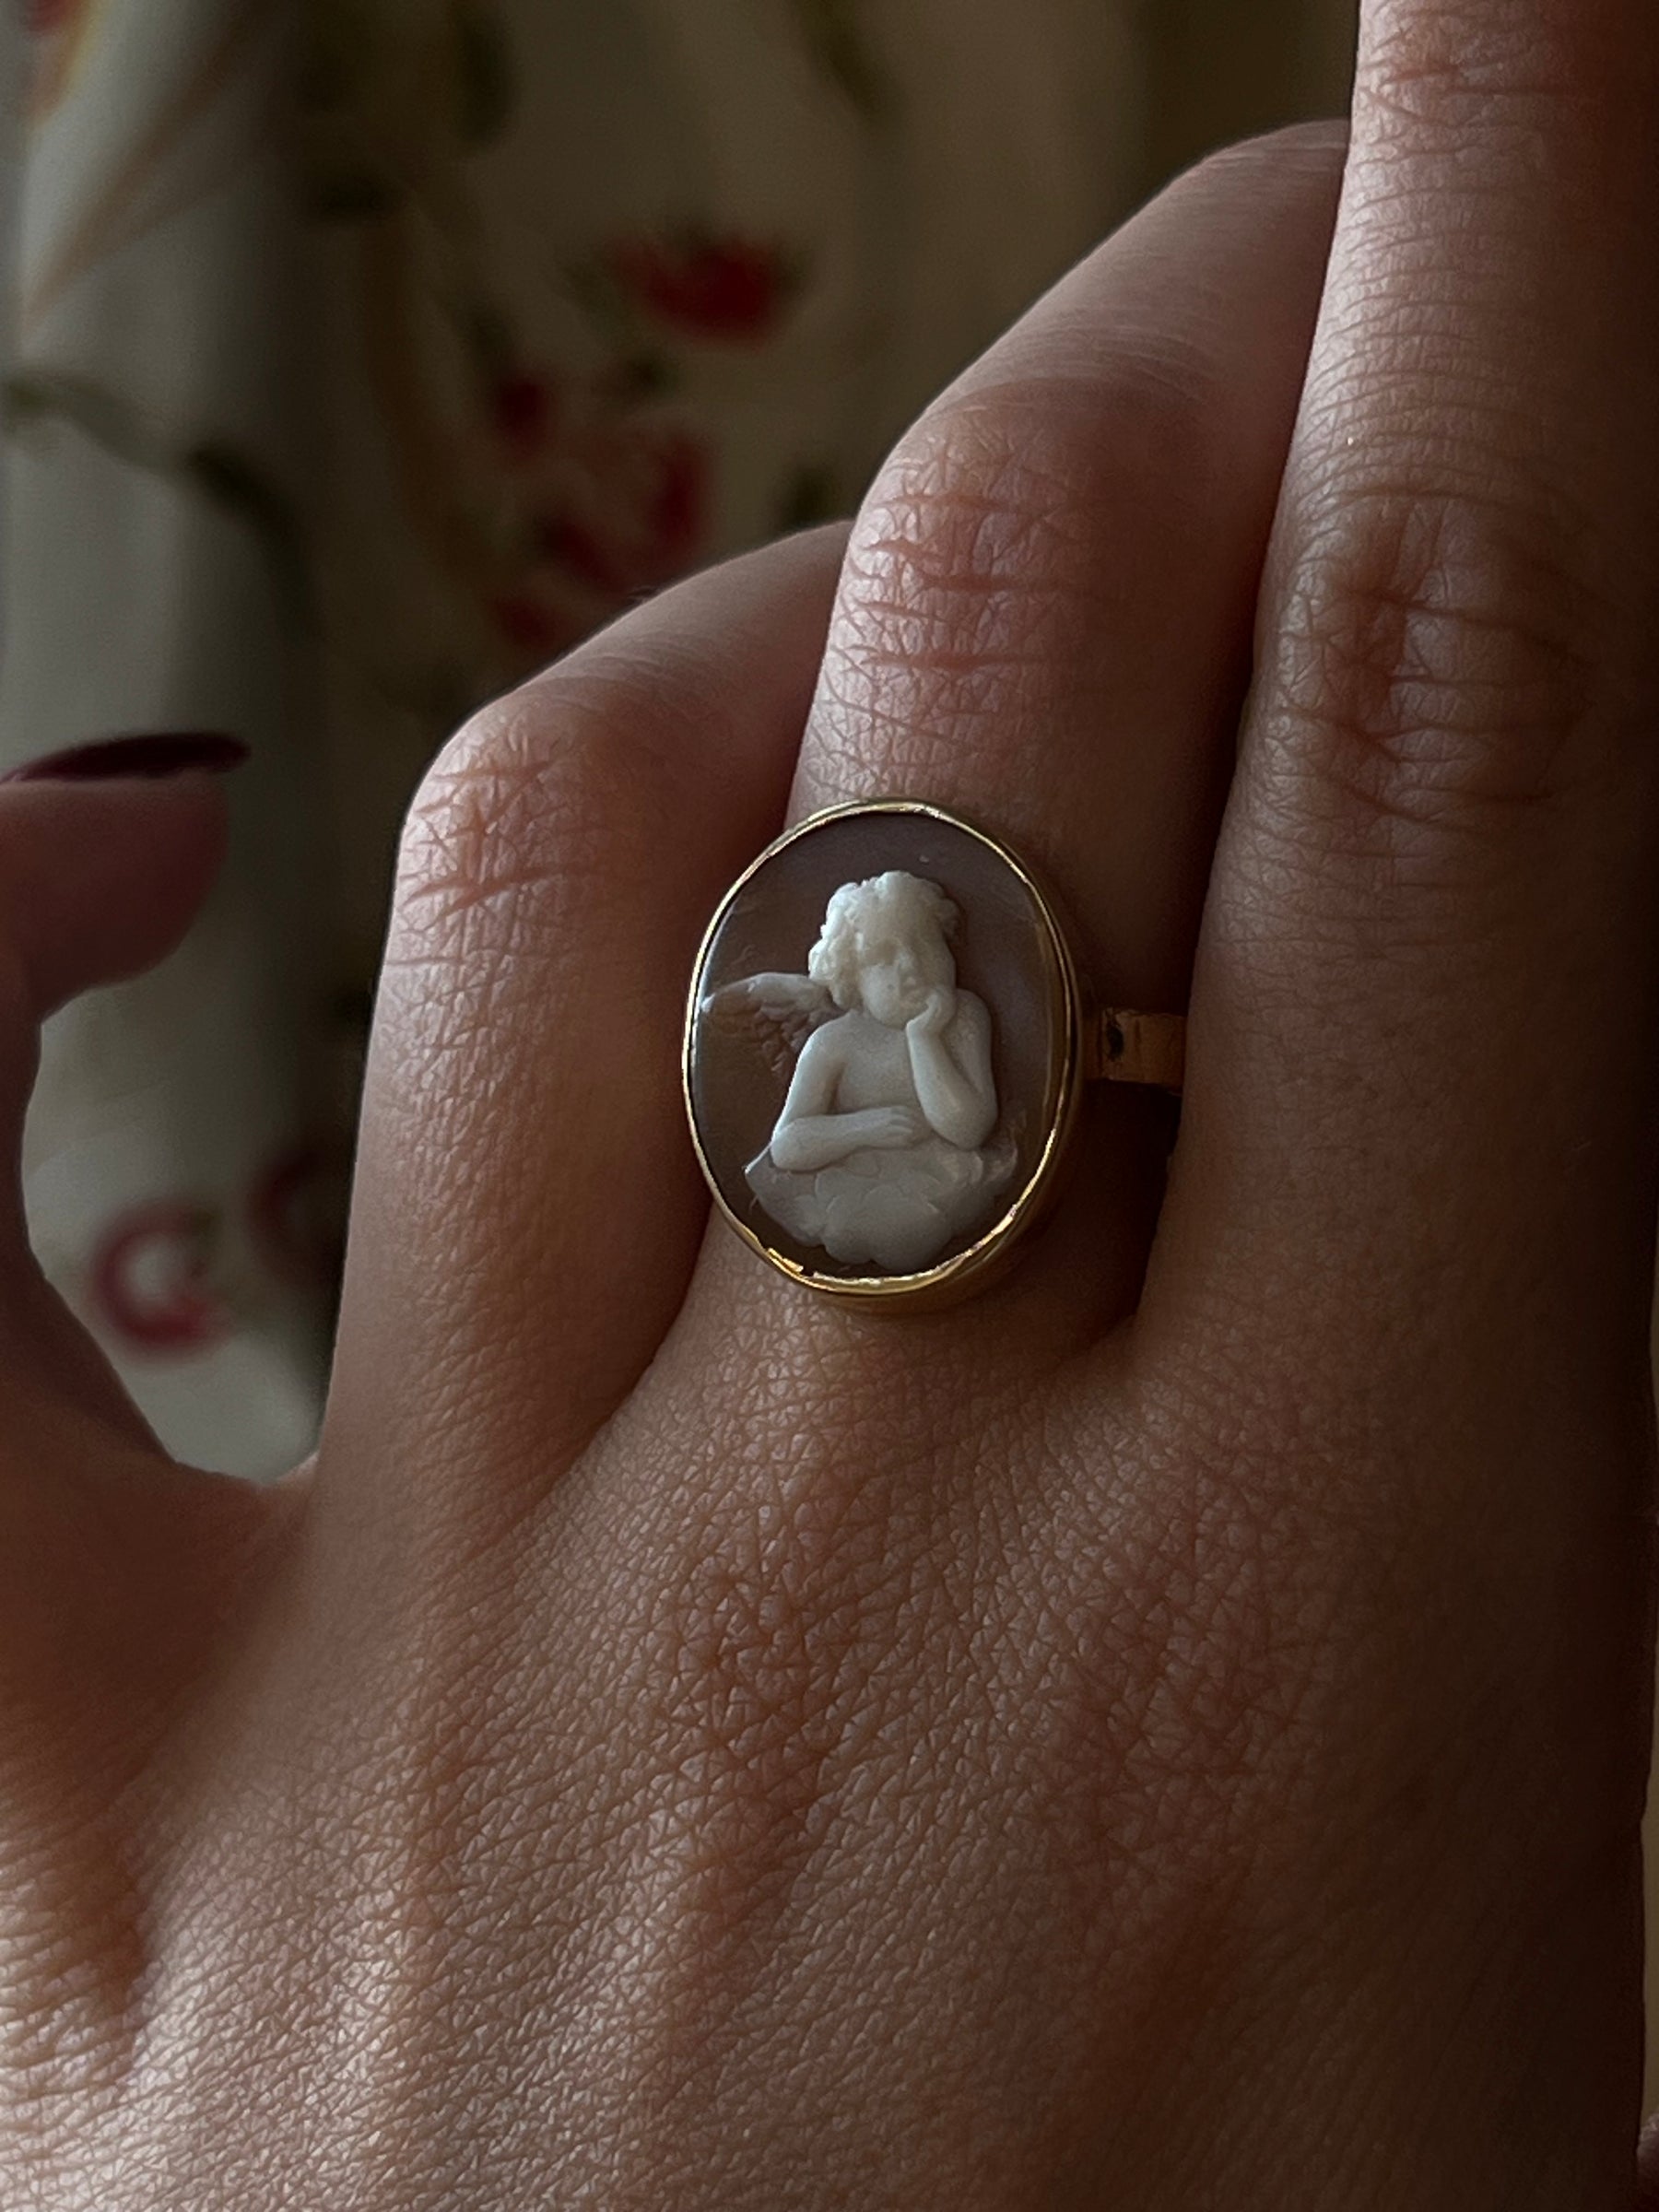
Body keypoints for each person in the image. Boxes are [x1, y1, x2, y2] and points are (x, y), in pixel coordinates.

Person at [3, 0, 1658, 2202]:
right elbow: (818, 1115)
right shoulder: (851, 1005)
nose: (874, 970)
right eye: (872, 955)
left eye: (884, 953)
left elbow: (955, 1090)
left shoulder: (938, 1020)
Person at [743, 870, 1012, 1271]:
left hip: (944, 1182)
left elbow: (968, 1129)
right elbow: (786, 1145)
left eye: (926, 942)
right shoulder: (833, 1042)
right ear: (850, 978)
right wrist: (863, 1127)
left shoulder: (964, 1018)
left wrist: (924, 1038)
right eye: (883, 958)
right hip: (850, 1190)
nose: (911, 965)